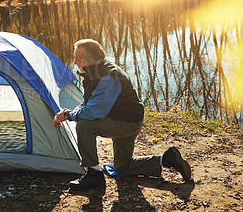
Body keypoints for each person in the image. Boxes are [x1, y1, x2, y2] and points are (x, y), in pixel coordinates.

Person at [53, 39, 191, 191]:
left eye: (77, 59)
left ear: (89, 61)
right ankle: (167, 159)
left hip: (126, 122)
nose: (75, 62)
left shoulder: (108, 75)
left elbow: (94, 111)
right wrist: (69, 112)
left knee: (85, 126)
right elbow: (89, 103)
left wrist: (70, 116)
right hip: (124, 119)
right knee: (122, 166)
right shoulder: (95, 71)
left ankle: (93, 175)